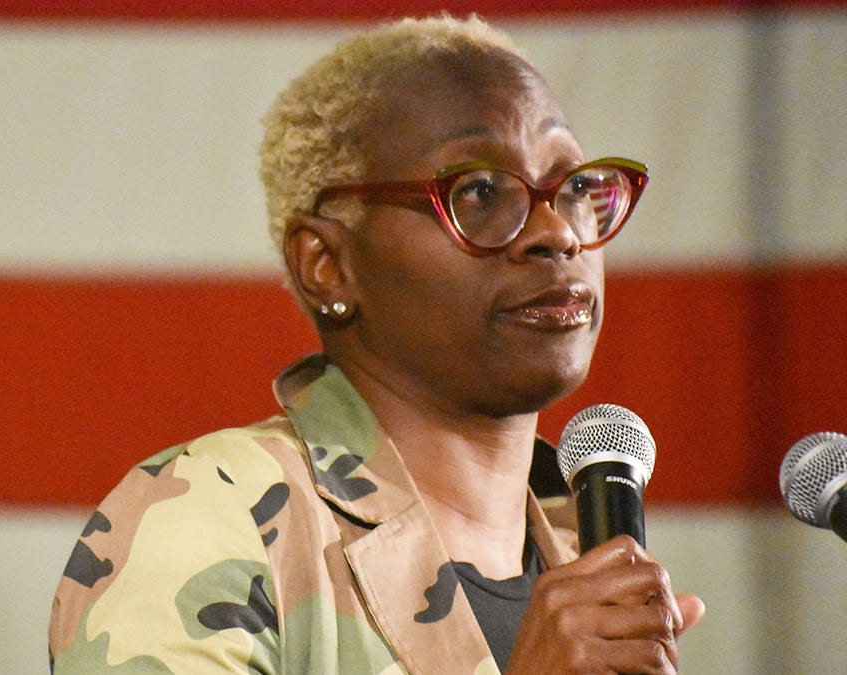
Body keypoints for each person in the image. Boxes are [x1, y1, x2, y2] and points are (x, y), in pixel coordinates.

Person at [49, 13, 704, 674]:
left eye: (574, 188)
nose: (556, 232)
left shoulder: (583, 564)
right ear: (327, 264)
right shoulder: (210, 514)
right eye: (478, 191)